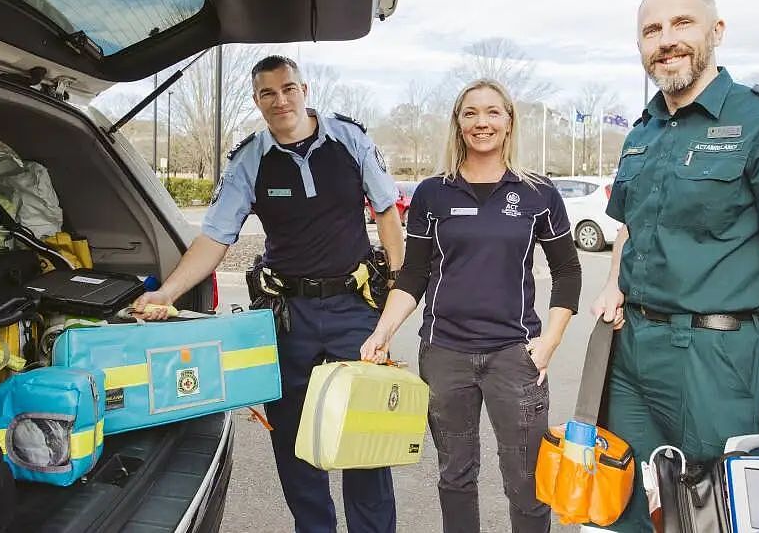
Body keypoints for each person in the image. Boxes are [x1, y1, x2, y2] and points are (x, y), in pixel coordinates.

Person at [131, 55, 405, 533]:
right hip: (286, 317)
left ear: (305, 89)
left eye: (289, 88)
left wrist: (397, 287)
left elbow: (386, 211)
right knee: (295, 438)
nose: (281, 100)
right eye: (267, 93)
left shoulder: (350, 138)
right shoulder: (249, 159)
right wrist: (167, 293)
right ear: (256, 100)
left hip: (353, 308)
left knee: (365, 435)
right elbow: (214, 237)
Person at [592, 0, 759, 531]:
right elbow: (629, 223)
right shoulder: (642, 133)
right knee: (626, 509)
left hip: (720, 358)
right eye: (652, 29)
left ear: (716, 32)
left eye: (682, 24)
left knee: (718, 514)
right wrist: (613, 285)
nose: (666, 39)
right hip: (634, 355)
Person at [361, 79, 582, 533]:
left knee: (527, 480)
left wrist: (550, 343)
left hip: (514, 357)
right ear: (458, 124)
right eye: (471, 113)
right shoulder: (431, 193)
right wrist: (382, 332)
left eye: (492, 112)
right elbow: (414, 274)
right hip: (445, 356)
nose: (482, 122)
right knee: (455, 477)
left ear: (509, 121)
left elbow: (568, 272)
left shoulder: (538, 193)